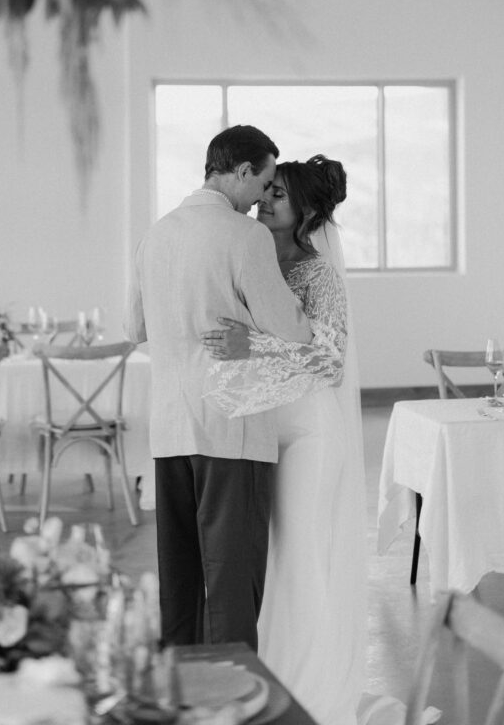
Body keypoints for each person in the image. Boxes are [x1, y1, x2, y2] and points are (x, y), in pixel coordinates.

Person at [123, 124, 314, 651]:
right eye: (264, 182)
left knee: (179, 581)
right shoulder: (245, 236)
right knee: (233, 584)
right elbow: (293, 328)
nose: (260, 199)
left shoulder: (154, 234)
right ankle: (236, 697)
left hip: (169, 428)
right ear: (242, 171)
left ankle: (180, 692)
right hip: (231, 429)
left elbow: (133, 329)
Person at [201, 155, 367, 725]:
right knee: (269, 562)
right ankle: (267, 679)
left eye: (278, 193)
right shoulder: (253, 256)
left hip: (312, 436)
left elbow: (331, 360)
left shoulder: (320, 273)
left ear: (309, 210)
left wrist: (254, 346)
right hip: (261, 428)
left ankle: (310, 692)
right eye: (265, 188)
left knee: (301, 559)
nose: (265, 198)